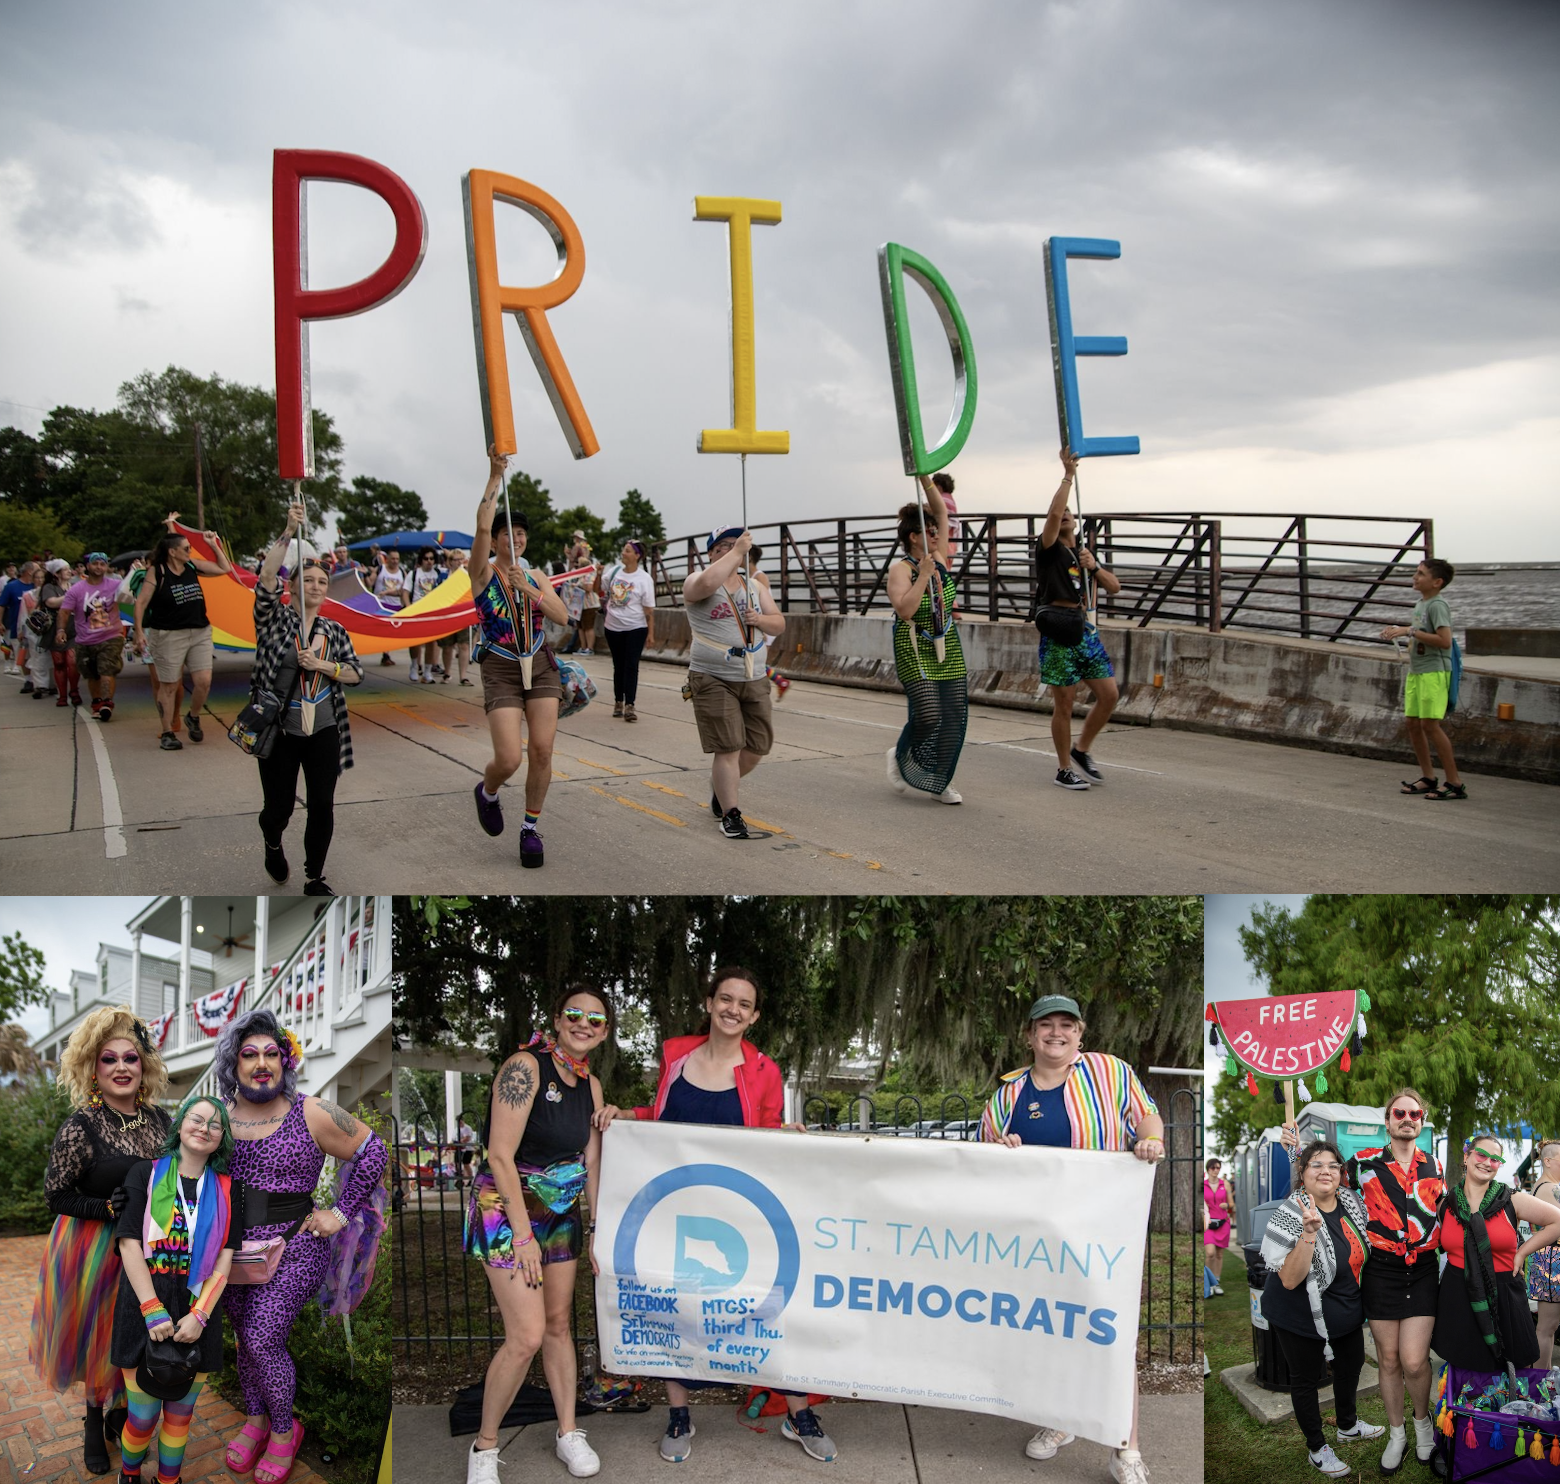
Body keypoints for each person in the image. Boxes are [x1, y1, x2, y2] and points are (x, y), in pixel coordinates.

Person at [593, 967, 839, 1464]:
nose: (733, 1009)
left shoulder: (764, 1069)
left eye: (744, 1004)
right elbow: (663, 1123)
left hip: (739, 1210)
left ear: (754, 1016)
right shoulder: (675, 1057)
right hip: (676, 1209)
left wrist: (785, 1134)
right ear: (709, 1003)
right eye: (725, 999)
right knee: (672, 1309)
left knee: (768, 1311)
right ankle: (680, 1415)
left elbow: (766, 1132)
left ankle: (797, 1413)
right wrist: (626, 1116)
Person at [979, 994, 1164, 1484]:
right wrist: (1003, 1150)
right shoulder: (1008, 1094)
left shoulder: (1109, 1072)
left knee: (1111, 1334)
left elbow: (1146, 1115)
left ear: (1080, 1033)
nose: (1056, 1033)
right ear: (1029, 1035)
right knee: (1050, 1329)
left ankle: (1126, 1448)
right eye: (1046, 1026)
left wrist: (1151, 1139)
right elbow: (983, 1160)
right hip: (1036, 1239)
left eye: (1067, 1025)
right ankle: (1061, 1422)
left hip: (1102, 1232)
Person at [215, 1008, 388, 1484]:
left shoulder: (309, 1110)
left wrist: (340, 1212)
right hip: (229, 1253)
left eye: (271, 1052)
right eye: (249, 1054)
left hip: (294, 1246)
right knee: (242, 1340)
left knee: (262, 1337)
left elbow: (374, 1150)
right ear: (234, 1062)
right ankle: (255, 1418)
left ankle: (286, 1429)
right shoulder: (221, 1117)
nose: (261, 1063)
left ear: (285, 1060)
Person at [463, 988, 613, 1484]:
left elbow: (590, 1163)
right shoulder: (525, 1067)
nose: (584, 1023)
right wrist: (523, 1236)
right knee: (525, 1336)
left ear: (605, 1031)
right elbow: (499, 1156)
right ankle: (485, 1446)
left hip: (561, 1209)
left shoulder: (589, 1084)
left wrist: (594, 1228)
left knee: (557, 1324)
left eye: (595, 1019)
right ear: (557, 1019)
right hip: (506, 1209)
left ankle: (568, 1432)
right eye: (575, 1014)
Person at [29, 1006, 172, 1476]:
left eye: (130, 1058)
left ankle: (119, 1414)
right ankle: (94, 1421)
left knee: (134, 1331)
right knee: (99, 1335)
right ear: (93, 1068)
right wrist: (104, 1208)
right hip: (92, 1250)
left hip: (149, 1246)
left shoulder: (160, 1121)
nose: (121, 1068)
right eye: (109, 1060)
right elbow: (56, 1194)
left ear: (143, 1066)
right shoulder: (82, 1126)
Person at [1283, 1088, 1444, 1473]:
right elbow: (1321, 1183)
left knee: (1415, 1361)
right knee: (1389, 1360)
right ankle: (1397, 1433)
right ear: (1387, 1122)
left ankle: (1424, 1430)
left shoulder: (1434, 1165)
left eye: (1415, 1113)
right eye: (1399, 1112)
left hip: (1421, 1271)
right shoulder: (1362, 1162)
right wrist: (1295, 1152)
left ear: (1420, 1121)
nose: (1408, 1118)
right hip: (1382, 1272)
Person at [111, 1094, 242, 1484]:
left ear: (222, 1138)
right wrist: (151, 1307)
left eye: (215, 1124)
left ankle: (168, 1481)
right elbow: (128, 1241)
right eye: (197, 1119)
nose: (204, 1128)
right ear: (180, 1124)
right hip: (143, 1304)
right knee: (143, 1415)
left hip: (198, 1309)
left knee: (180, 1417)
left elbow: (226, 1255)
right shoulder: (144, 1173)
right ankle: (129, 1474)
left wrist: (201, 1314)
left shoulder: (228, 1188)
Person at [254, 501, 365, 895]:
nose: (315, 586)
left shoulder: (334, 630)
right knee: (278, 809)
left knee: (322, 805)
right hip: (280, 732)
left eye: (322, 582)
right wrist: (288, 529)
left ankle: (314, 876)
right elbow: (267, 574)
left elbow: (355, 673)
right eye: (308, 580)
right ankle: (272, 841)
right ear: (292, 585)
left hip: (324, 729)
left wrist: (324, 666)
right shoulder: (273, 620)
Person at [469, 446, 570, 869]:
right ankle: (488, 792)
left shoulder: (535, 574)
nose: (516, 538)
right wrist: (495, 477)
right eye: (508, 533)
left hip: (540, 662)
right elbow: (479, 528)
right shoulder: (483, 571)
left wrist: (532, 591)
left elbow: (563, 618)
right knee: (510, 758)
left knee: (543, 751)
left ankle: (530, 828)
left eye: (522, 534)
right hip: (500, 665)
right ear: (496, 539)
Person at [1259, 1139, 1380, 1479]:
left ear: (1342, 1173)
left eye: (1332, 1165)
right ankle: (1316, 1447)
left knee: (1351, 1363)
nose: (1325, 1171)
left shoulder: (1352, 1203)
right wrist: (1309, 1233)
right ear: (1303, 1172)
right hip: (1299, 1315)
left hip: (1344, 1310)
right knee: (1306, 1379)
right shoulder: (1291, 1212)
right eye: (1316, 1165)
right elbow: (1289, 1279)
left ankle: (1347, 1425)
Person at [683, 527, 786, 839]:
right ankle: (731, 813)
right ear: (711, 553)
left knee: (757, 747)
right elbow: (707, 583)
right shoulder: (697, 580)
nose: (730, 551)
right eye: (722, 547)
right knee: (727, 747)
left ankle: (722, 786)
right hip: (712, 676)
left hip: (753, 675)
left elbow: (779, 623)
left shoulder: (754, 586)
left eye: (735, 545)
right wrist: (736, 552)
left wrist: (760, 621)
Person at [1431, 1133, 1560, 1376]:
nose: (1487, 1162)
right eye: (1481, 1155)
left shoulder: (1513, 1200)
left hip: (1503, 1292)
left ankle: (1507, 1413)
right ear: (1467, 1157)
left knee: (1510, 1367)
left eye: (1495, 1159)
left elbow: (1557, 1221)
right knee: (1464, 1364)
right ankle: (1466, 1413)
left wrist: (1523, 1252)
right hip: (1457, 1291)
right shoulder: (1446, 1205)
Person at [1035, 448, 1123, 791]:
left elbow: (1114, 588)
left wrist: (1095, 567)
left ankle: (1082, 750)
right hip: (1058, 628)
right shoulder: (1048, 548)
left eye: (1072, 513)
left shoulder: (1082, 552)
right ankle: (1062, 768)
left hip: (1083, 628)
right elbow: (1055, 514)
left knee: (1109, 694)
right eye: (1062, 513)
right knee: (1065, 702)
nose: (1066, 515)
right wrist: (1067, 475)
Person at [886, 474, 966, 803]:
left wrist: (923, 478)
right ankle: (900, 754)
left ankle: (939, 779)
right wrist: (924, 576)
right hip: (914, 645)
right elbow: (905, 610)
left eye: (937, 532)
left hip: (947, 643)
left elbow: (943, 513)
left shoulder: (942, 559)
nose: (937, 536)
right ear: (914, 537)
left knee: (954, 716)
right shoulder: (901, 569)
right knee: (930, 714)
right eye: (930, 532)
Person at [131, 521, 232, 748]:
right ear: (172, 552)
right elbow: (141, 603)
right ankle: (168, 732)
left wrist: (213, 544)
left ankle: (193, 716)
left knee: (203, 681)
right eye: (186, 548)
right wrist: (138, 632)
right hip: (167, 635)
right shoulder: (157, 572)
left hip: (200, 632)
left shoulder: (192, 566)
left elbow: (224, 568)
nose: (190, 551)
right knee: (168, 685)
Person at [1381, 558, 1464, 800]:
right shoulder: (1421, 603)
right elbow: (1421, 633)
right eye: (1416, 573)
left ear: (1437, 582)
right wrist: (1400, 631)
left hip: (1434, 672)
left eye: (1421, 574)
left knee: (1430, 725)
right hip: (1418, 671)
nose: (1415, 577)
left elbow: (1444, 641)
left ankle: (1454, 783)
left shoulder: (1438, 605)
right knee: (1412, 723)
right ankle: (1428, 777)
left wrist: (1410, 631)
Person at [53, 552, 129, 724]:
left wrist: (135, 572)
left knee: (107, 669)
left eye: (103, 564)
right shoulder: (76, 589)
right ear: (87, 566)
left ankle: (107, 704)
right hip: (85, 639)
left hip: (111, 635)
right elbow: (64, 611)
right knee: (92, 674)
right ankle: (97, 704)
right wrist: (60, 631)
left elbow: (132, 594)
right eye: (95, 564)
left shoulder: (116, 585)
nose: (99, 567)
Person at [595, 539, 656, 720]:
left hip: (636, 628)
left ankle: (630, 705)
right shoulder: (614, 572)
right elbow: (597, 590)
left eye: (627, 551)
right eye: (623, 550)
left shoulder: (644, 579)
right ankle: (618, 701)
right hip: (613, 627)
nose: (623, 553)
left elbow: (649, 611)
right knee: (618, 666)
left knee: (631, 666)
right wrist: (598, 574)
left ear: (637, 555)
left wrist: (651, 634)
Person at [1527, 1138, 1560, 1369]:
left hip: (1546, 1260)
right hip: (1552, 1261)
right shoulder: (1550, 1188)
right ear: (1547, 1161)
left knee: (1548, 1327)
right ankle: (1540, 1382)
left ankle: (1543, 1380)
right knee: (1547, 1327)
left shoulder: (1541, 1186)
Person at [404, 547, 445, 683]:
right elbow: (405, 592)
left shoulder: (438, 573)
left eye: (431, 559)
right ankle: (414, 666)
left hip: (432, 612)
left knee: (431, 643)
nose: (429, 561)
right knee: (415, 642)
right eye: (426, 558)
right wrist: (409, 608)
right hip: (416, 611)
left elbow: (454, 569)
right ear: (421, 560)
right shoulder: (414, 574)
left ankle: (427, 671)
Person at [438, 550, 474, 685]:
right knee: (447, 646)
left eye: (461, 559)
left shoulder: (468, 575)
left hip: (463, 615)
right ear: (450, 562)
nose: (459, 562)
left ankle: (463, 676)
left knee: (464, 645)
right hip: (447, 615)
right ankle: (447, 673)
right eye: (456, 560)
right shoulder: (443, 576)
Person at [1203, 1157, 1235, 1296]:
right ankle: (1207, 1283)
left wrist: (1226, 1205)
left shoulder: (1225, 1184)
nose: (1216, 1170)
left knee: (1220, 1254)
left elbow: (1232, 1204)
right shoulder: (1202, 1185)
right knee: (1210, 1253)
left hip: (1223, 1222)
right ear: (1208, 1169)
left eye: (1218, 1168)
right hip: (1209, 1223)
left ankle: (1216, 1282)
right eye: (1213, 1168)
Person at [373, 549, 407, 666]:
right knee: (384, 630)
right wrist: (366, 574)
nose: (395, 561)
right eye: (393, 558)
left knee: (391, 632)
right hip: (381, 604)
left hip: (396, 605)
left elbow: (405, 588)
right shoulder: (381, 569)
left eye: (397, 559)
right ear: (387, 559)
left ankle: (386, 653)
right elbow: (370, 582)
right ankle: (385, 655)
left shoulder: (402, 571)